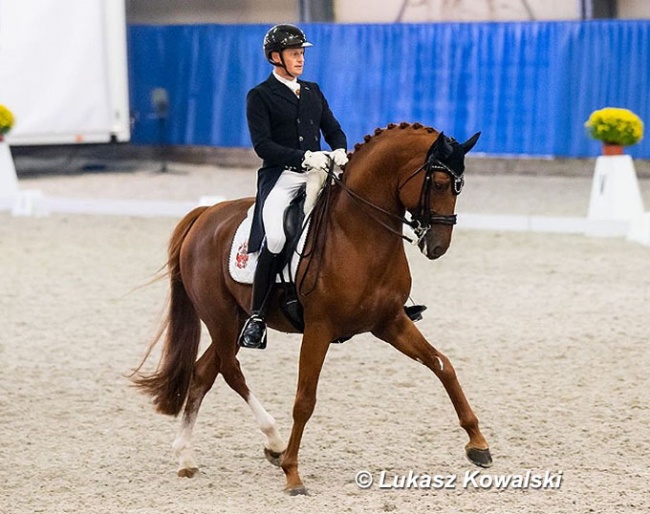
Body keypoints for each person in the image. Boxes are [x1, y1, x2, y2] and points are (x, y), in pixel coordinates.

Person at [238, 24, 348, 350]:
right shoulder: (260, 96)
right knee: (275, 236)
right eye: (294, 53)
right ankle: (257, 317)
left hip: (319, 172)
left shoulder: (313, 91)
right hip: (282, 178)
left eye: (302, 53)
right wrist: (304, 156)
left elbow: (334, 130)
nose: (300, 59)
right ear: (275, 57)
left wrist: (339, 148)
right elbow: (263, 146)